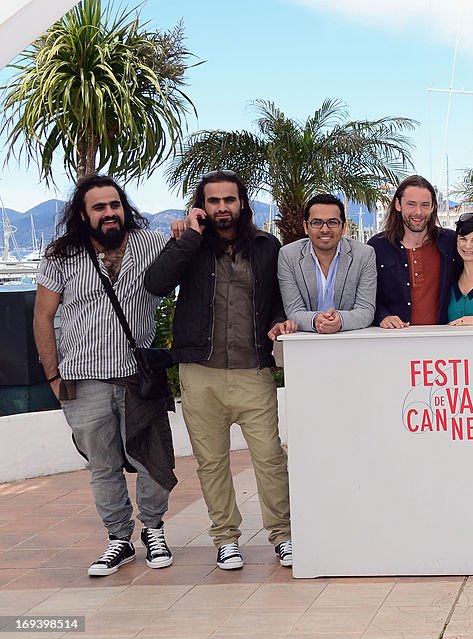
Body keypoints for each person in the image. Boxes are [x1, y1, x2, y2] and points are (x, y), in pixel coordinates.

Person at [145, 170, 296, 571]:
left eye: (229, 200)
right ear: (202, 206)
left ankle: (283, 535)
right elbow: (156, 283)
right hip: (200, 372)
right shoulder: (188, 244)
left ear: (242, 203)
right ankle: (226, 538)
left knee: (269, 457)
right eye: (213, 201)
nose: (222, 208)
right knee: (211, 461)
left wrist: (280, 322)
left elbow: (280, 298)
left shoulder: (266, 246)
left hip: (253, 371)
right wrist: (188, 238)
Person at [33, 175, 175, 576]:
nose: (109, 213)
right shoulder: (61, 256)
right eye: (99, 207)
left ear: (123, 207)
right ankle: (118, 539)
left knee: (153, 458)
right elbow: (43, 317)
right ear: (83, 214)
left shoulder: (150, 243)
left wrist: (186, 229)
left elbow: (182, 265)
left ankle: (154, 529)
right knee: (103, 465)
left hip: (136, 376)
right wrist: (52, 377)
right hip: (82, 378)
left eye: (114, 205)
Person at [278, 193, 376, 333]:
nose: (325, 229)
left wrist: (340, 320)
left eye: (333, 222)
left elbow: (366, 310)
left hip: (350, 340)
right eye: (317, 222)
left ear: (344, 226)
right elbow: (293, 310)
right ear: (306, 227)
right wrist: (315, 320)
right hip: (305, 343)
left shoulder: (364, 255)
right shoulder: (288, 255)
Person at [367, 175, 457, 327]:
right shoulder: (377, 246)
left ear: (433, 207)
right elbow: (366, 296)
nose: (418, 212)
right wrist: (382, 317)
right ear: (398, 204)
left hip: (443, 341)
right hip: (395, 340)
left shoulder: (450, 242)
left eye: (425, 205)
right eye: (411, 204)